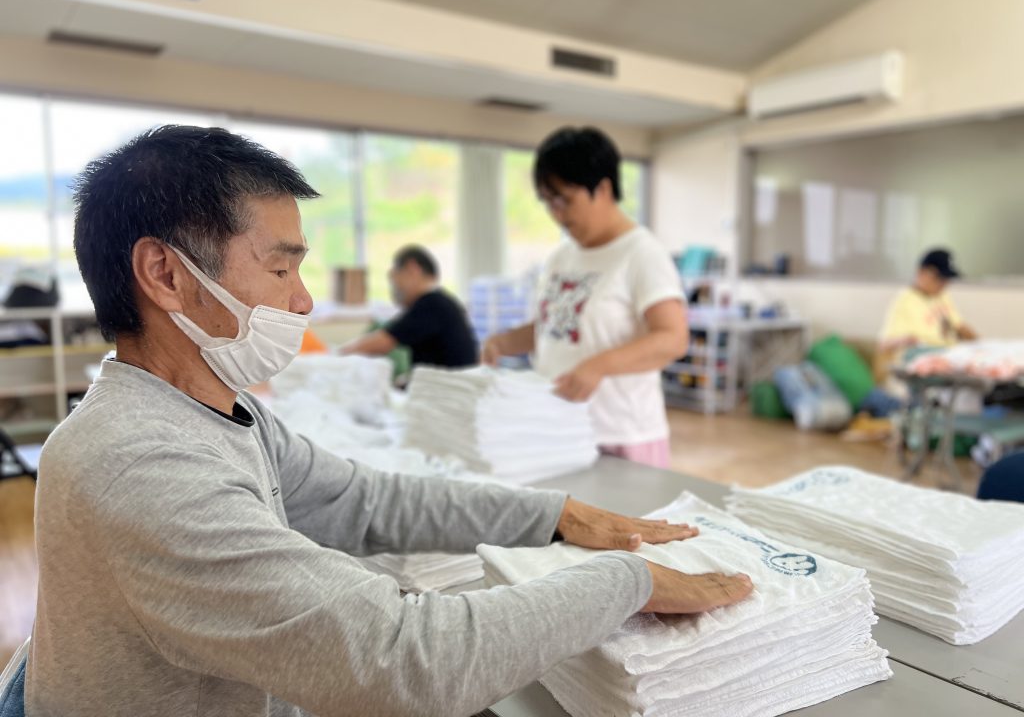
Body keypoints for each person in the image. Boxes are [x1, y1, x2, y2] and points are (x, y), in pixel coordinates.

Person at [26, 125, 752, 717]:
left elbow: (365, 500)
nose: (304, 301)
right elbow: (406, 662)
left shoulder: (218, 412)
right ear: (165, 274)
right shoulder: (141, 466)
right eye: (280, 270)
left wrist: (557, 516)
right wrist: (629, 581)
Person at [482, 127, 688, 469]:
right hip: (558, 428)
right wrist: (502, 343)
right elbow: (555, 328)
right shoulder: (560, 257)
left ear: (603, 189)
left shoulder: (641, 253)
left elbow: (673, 338)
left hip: (619, 435)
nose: (556, 214)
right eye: (547, 202)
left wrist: (598, 366)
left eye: (564, 199)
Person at [342, 245, 478, 369]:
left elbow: (382, 342)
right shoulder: (441, 301)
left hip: (445, 385)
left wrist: (337, 355)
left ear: (412, 269)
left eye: (394, 278)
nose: (395, 289)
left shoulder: (432, 304)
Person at [878, 248, 977, 367]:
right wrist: (908, 340)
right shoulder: (905, 300)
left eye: (947, 280)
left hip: (948, 356)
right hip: (919, 360)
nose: (943, 284)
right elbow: (884, 345)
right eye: (939, 278)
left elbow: (960, 326)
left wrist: (978, 344)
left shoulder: (941, 296)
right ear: (921, 273)